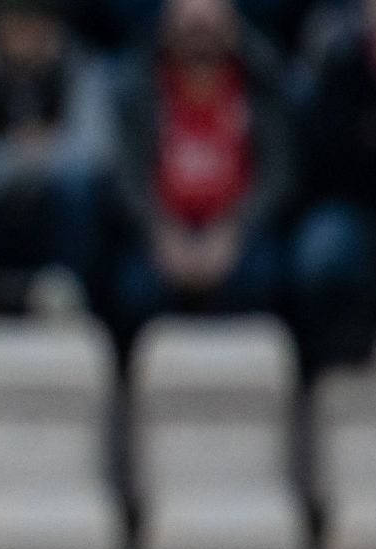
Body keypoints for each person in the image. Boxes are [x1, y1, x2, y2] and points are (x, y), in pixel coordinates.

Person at [108, 0, 293, 342]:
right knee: (133, 286)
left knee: (266, 273)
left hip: (239, 228)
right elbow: (127, 176)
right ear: (166, 31)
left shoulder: (261, 84)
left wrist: (235, 231)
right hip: (163, 227)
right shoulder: (141, 86)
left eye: (209, 27)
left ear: (234, 29)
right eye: (189, 28)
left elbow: (277, 175)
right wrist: (159, 229)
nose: (199, 39)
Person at [0, 0, 113, 316]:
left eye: (40, 22)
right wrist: (15, 155)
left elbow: (98, 157)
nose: (31, 33)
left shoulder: (77, 67)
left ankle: (69, 307)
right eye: (20, 22)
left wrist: (43, 154)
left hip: (50, 221)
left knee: (78, 194)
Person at [291, 0, 376, 374]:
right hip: (358, 211)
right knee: (323, 245)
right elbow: (326, 161)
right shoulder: (344, 66)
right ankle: (330, 360)